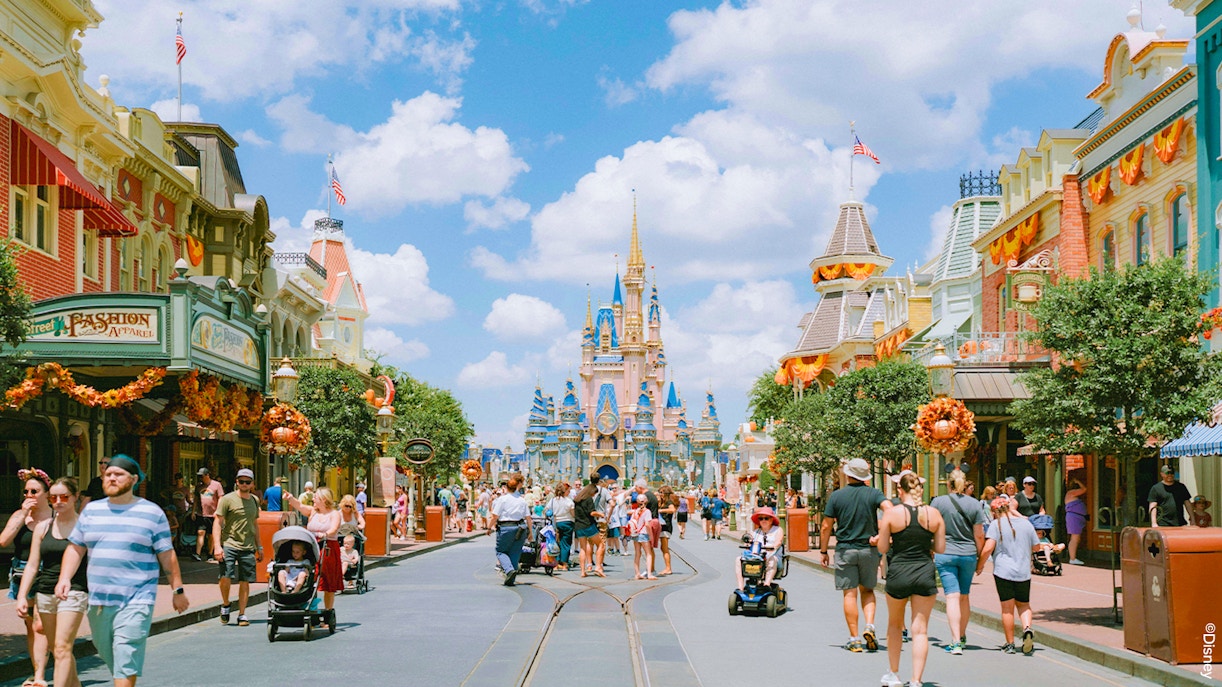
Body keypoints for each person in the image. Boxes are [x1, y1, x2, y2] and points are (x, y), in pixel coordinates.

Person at [58, 454, 190, 687]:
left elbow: (167, 554)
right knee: (107, 651)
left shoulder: (152, 513)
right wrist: (65, 578)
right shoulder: (91, 511)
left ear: (134, 479)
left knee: (125, 655)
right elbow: (75, 548)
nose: (111, 478)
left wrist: (177, 590)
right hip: (99, 601)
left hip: (137, 600)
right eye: (107, 474)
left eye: (117, 474)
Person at [17, 477, 88, 687]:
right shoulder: (43, 527)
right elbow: (32, 564)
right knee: (57, 648)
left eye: (64, 496)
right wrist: (22, 595)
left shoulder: (84, 527)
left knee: (62, 647)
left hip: (74, 590)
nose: (58, 501)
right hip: (45, 591)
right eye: (53, 497)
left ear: (75, 497)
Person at [877, 473, 945, 687]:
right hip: (924, 571)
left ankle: (894, 674)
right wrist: (925, 543)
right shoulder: (934, 514)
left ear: (900, 490)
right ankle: (916, 680)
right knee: (921, 630)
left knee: (895, 625)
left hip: (899, 571)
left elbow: (883, 548)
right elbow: (941, 548)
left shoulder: (892, 514)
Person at [820, 457, 891, 653]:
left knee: (849, 593)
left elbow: (826, 526)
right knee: (867, 590)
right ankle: (870, 625)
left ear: (848, 474)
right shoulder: (874, 493)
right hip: (868, 550)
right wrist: (882, 534)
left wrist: (824, 550)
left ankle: (855, 638)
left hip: (845, 549)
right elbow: (890, 509)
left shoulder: (837, 496)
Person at [4, 468, 54, 687]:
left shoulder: (55, 516)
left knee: (40, 625)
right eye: (26, 492)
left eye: (34, 491)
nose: (29, 496)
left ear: (46, 493)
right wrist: (23, 515)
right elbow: (3, 541)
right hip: (22, 573)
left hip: (49, 572)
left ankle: (41, 675)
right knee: (31, 626)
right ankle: (38, 671)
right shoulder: (20, 515)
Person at [977, 496, 1042, 656]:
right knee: (1024, 605)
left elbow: (987, 549)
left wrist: (980, 566)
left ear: (995, 511)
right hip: (1023, 572)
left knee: (1007, 609)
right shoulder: (1026, 524)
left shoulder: (996, 524)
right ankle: (1027, 628)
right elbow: (1037, 547)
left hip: (1003, 572)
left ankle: (1010, 643)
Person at [929, 469, 984, 655]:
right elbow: (979, 535)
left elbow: (932, 528)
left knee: (952, 596)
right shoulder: (975, 504)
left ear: (949, 484)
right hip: (968, 554)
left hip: (945, 553)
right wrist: (980, 558)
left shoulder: (938, 502)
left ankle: (955, 642)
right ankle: (962, 635)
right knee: (964, 596)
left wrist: (931, 549)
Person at [212, 468, 262, 627]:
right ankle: (226, 604)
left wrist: (259, 546)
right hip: (230, 544)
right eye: (241, 481)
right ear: (237, 482)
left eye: (247, 482)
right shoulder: (227, 499)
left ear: (252, 484)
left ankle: (242, 614)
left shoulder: (254, 500)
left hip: (247, 546)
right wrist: (217, 546)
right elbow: (218, 522)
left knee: (245, 580)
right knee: (225, 577)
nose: (244, 484)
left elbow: (255, 524)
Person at [284, 487, 342, 623]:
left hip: (327, 548)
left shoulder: (334, 514)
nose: (313, 499)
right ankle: (311, 608)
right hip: (311, 547)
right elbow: (299, 506)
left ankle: (328, 611)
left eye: (315, 497)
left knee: (327, 581)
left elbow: (334, 528)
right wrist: (291, 498)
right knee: (311, 578)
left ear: (323, 500)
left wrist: (325, 534)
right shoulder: (312, 512)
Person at [487, 474, 531, 586]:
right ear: (516, 487)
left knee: (501, 551)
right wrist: (530, 532)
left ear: (506, 487)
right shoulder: (522, 500)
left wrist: (489, 527)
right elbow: (528, 517)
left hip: (506, 527)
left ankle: (509, 570)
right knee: (515, 552)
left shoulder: (502, 500)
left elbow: (495, 516)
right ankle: (512, 575)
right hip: (521, 527)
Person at [737, 507, 784, 591]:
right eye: (761, 518)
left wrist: (773, 547)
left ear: (771, 520)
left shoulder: (778, 530)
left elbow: (779, 541)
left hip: (772, 555)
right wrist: (747, 543)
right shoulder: (755, 532)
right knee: (738, 559)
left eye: (766, 518)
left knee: (772, 559)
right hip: (757, 556)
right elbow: (749, 542)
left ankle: (767, 584)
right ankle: (740, 587)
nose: (763, 520)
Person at [572, 474, 605, 577]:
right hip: (588, 525)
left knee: (583, 548)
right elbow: (591, 512)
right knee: (601, 544)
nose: (593, 496)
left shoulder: (577, 499)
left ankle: (582, 572)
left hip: (578, 526)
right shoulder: (588, 499)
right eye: (593, 494)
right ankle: (598, 567)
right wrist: (600, 514)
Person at [192, 468, 223, 562]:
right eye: (199, 476)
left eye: (202, 476)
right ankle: (197, 553)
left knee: (211, 535)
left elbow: (221, 497)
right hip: (202, 513)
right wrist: (194, 511)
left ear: (207, 475)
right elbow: (196, 500)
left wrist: (218, 510)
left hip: (213, 514)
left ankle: (210, 553)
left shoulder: (216, 485)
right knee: (200, 532)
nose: (200, 478)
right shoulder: (199, 487)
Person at [547, 482, 576, 570]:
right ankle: (564, 564)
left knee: (557, 543)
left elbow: (547, 510)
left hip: (557, 523)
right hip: (567, 522)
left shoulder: (553, 500)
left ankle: (556, 563)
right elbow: (572, 512)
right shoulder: (568, 500)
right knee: (566, 543)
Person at [628, 494, 655, 580]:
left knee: (637, 554)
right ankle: (649, 573)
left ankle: (637, 573)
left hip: (635, 534)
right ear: (646, 501)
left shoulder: (635, 511)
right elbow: (647, 524)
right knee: (648, 554)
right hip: (643, 534)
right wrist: (651, 535)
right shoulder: (647, 511)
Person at [1063, 479, 1088, 565]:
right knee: (1074, 538)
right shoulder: (1071, 493)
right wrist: (1079, 481)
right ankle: (1072, 558)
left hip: (1077, 517)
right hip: (1074, 517)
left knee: (1076, 538)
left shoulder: (1072, 494)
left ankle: (1073, 557)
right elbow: (1084, 489)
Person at [657, 485, 678, 576]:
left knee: (665, 548)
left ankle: (668, 568)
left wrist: (661, 511)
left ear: (666, 493)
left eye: (661, 492)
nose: (660, 494)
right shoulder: (662, 502)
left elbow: (672, 510)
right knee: (663, 548)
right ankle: (667, 567)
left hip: (666, 527)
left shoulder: (669, 502)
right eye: (659, 492)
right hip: (662, 527)